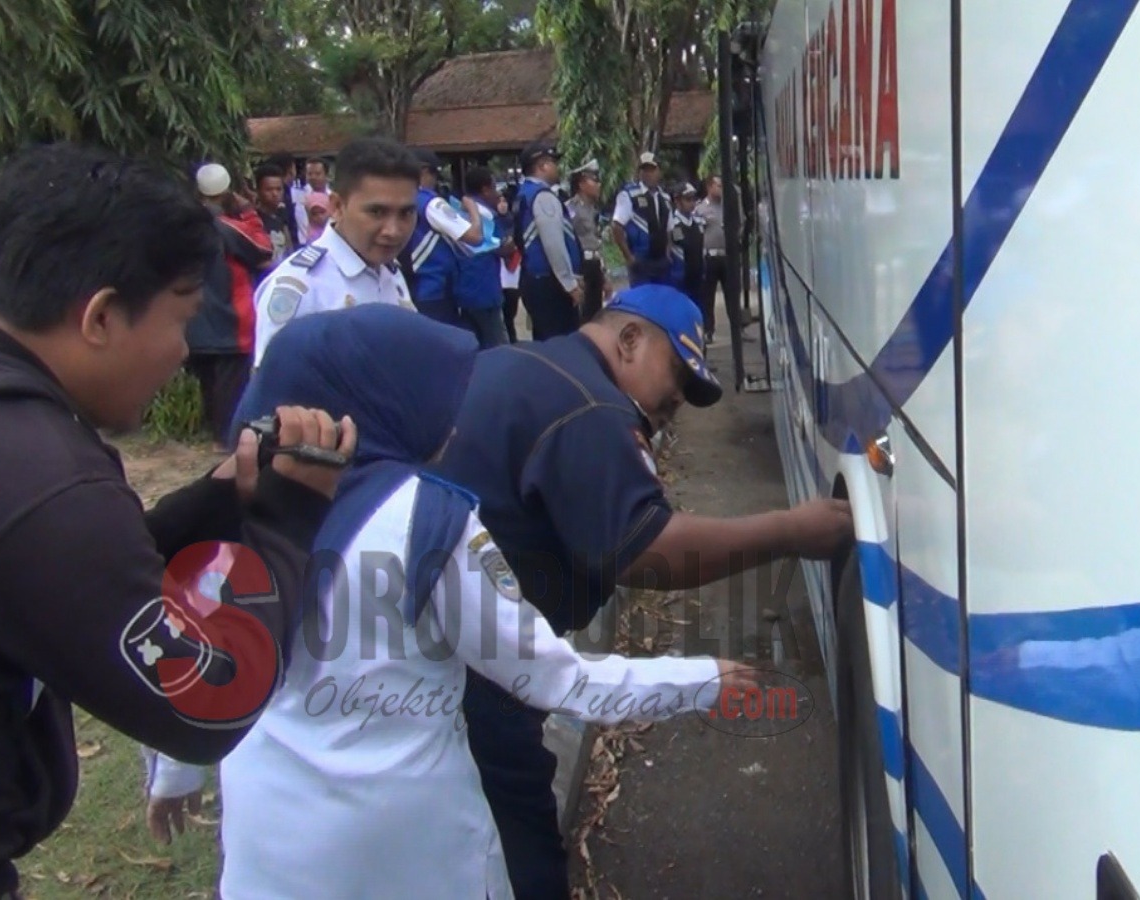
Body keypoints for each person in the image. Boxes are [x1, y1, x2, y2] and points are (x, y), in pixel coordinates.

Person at [210, 304, 754, 898]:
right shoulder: (426, 522)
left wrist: (174, 775)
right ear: (381, 400)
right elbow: (554, 678)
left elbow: (201, 675)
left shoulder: (238, 505)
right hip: (408, 843)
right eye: (437, 396)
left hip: (267, 843)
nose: (455, 418)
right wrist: (701, 678)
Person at [0, 141, 354, 900]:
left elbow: (58, 581)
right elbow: (204, 707)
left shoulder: (2, 429)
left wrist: (214, 501)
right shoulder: (42, 477)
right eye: (181, 315)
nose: (184, 352)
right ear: (102, 316)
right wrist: (287, 518)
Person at [443, 284, 855, 898]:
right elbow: (647, 551)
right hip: (474, 674)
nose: (674, 404)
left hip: (443, 647)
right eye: (677, 378)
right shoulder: (588, 405)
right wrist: (792, 530)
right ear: (629, 339)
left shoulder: (527, 363)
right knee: (521, 831)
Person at [251, 137, 420, 367]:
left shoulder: (390, 273)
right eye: (377, 212)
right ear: (337, 206)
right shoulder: (302, 288)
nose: (393, 230)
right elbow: (276, 393)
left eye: (406, 213)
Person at [188, 163, 274, 451]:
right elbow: (263, 249)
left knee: (210, 384)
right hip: (228, 319)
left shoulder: (184, 223)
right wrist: (249, 212)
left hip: (196, 317)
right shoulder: (226, 227)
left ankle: (214, 433)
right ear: (226, 191)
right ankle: (226, 439)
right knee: (230, 384)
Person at [401, 148, 485, 325]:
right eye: (435, 173)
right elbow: (475, 237)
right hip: (436, 288)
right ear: (424, 171)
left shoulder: (404, 198)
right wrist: (473, 210)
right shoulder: (431, 202)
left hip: (413, 286)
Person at [512, 143, 583, 340]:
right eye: (553, 163)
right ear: (542, 165)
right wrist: (569, 284)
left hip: (534, 278)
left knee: (545, 341)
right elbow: (553, 244)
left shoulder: (523, 194)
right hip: (550, 283)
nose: (557, 168)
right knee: (561, 342)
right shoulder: (543, 197)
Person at [454, 166, 511, 346]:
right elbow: (504, 246)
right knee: (496, 344)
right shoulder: (486, 214)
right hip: (485, 288)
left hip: (464, 288)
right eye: (494, 188)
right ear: (485, 189)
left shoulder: (457, 210)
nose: (496, 193)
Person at [611, 151, 673, 287]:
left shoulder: (665, 198)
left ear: (659, 172)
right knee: (641, 303)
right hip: (640, 260)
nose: (648, 174)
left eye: (652, 169)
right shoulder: (629, 195)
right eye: (644, 169)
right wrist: (629, 256)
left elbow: (669, 229)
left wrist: (668, 252)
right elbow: (617, 226)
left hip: (661, 261)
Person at [565, 160, 608, 323]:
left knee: (596, 315)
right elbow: (568, 240)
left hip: (595, 264)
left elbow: (598, 242)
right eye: (594, 180)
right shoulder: (570, 208)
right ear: (582, 184)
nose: (598, 184)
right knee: (583, 316)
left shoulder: (593, 209)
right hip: (582, 266)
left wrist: (605, 275)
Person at [694, 175, 730, 344]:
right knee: (708, 296)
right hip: (710, 257)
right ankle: (708, 329)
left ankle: (738, 328)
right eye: (718, 185)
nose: (721, 189)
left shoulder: (727, 207)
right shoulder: (701, 209)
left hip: (726, 256)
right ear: (709, 187)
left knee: (731, 294)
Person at [668, 182, 706, 315]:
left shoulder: (699, 222)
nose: (692, 203)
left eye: (693, 199)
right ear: (677, 201)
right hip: (680, 275)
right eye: (688, 199)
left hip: (698, 273)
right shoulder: (672, 224)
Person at [251, 163, 297, 270]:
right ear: (258, 191)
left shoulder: (282, 214)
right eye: (269, 189)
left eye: (278, 189)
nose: (275, 194)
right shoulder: (254, 221)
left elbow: (289, 248)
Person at [499, 181, 523, 342]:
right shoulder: (492, 222)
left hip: (514, 273)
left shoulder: (515, 222)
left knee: (511, 312)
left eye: (504, 201)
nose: (501, 205)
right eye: (498, 201)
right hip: (499, 275)